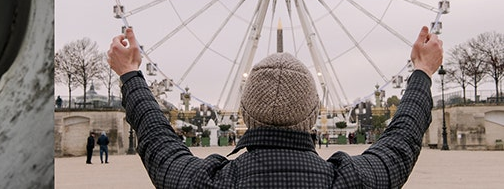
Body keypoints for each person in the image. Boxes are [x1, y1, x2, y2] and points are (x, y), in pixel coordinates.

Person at [108, 26, 442, 188]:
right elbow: (401, 141)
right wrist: (422, 72)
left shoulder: (209, 183)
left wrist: (131, 75)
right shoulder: (348, 182)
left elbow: (158, 143)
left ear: (244, 115)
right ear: (314, 115)